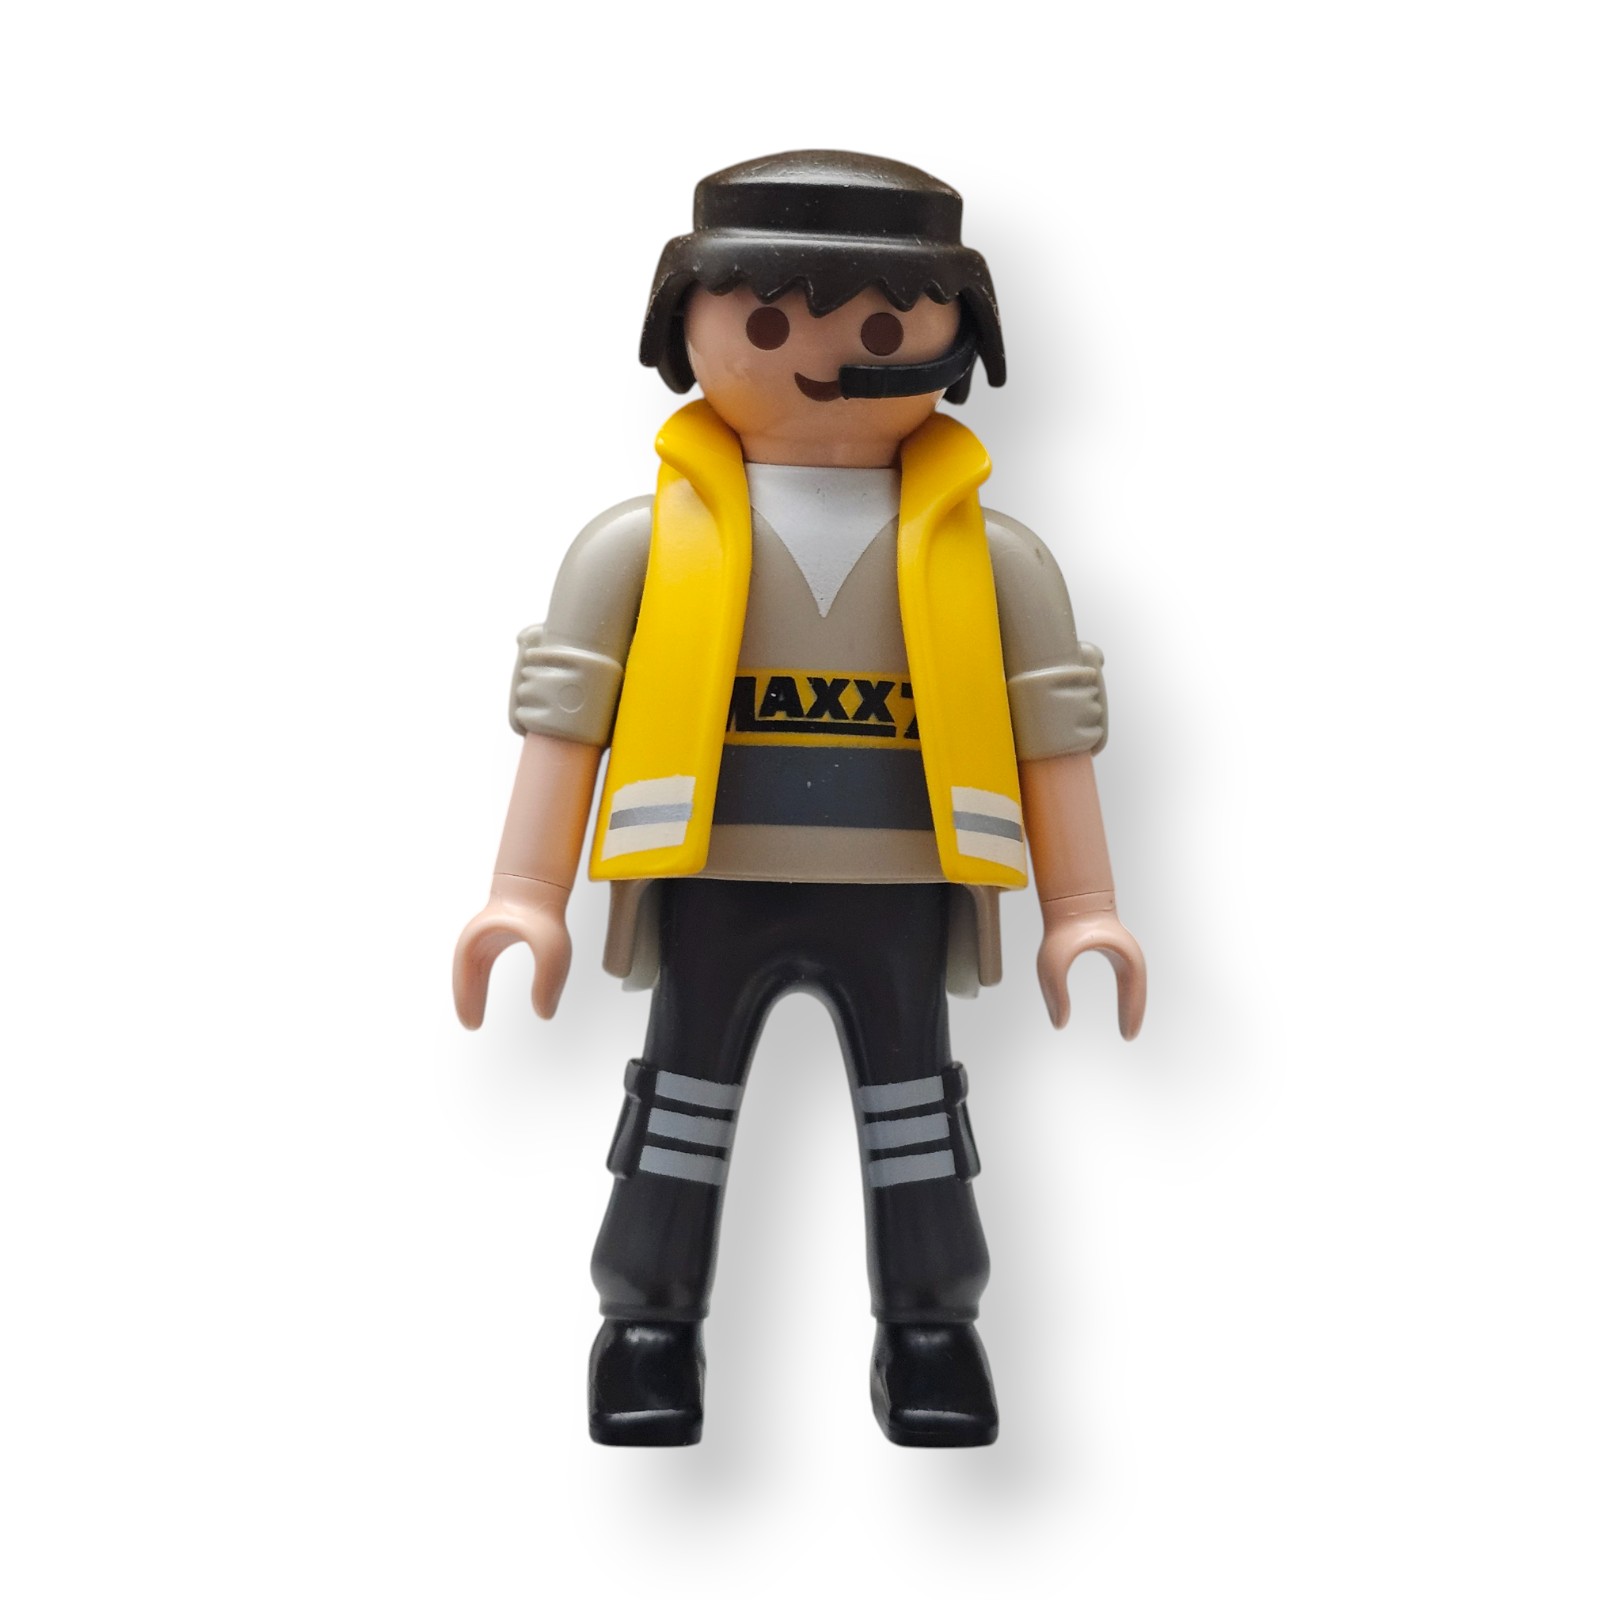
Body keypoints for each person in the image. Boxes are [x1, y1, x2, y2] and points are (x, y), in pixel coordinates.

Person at [453, 150, 1146, 1448]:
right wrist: (525, 894)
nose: (820, 359)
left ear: (953, 337)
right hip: (714, 878)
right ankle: (647, 1323)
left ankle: (931, 1328)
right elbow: (566, 717)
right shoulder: (638, 545)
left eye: (881, 332)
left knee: (915, 1115)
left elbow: (1053, 731)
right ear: (688, 329)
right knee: (679, 1105)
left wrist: (1084, 908)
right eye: (766, 326)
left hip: (901, 887)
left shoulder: (995, 559)